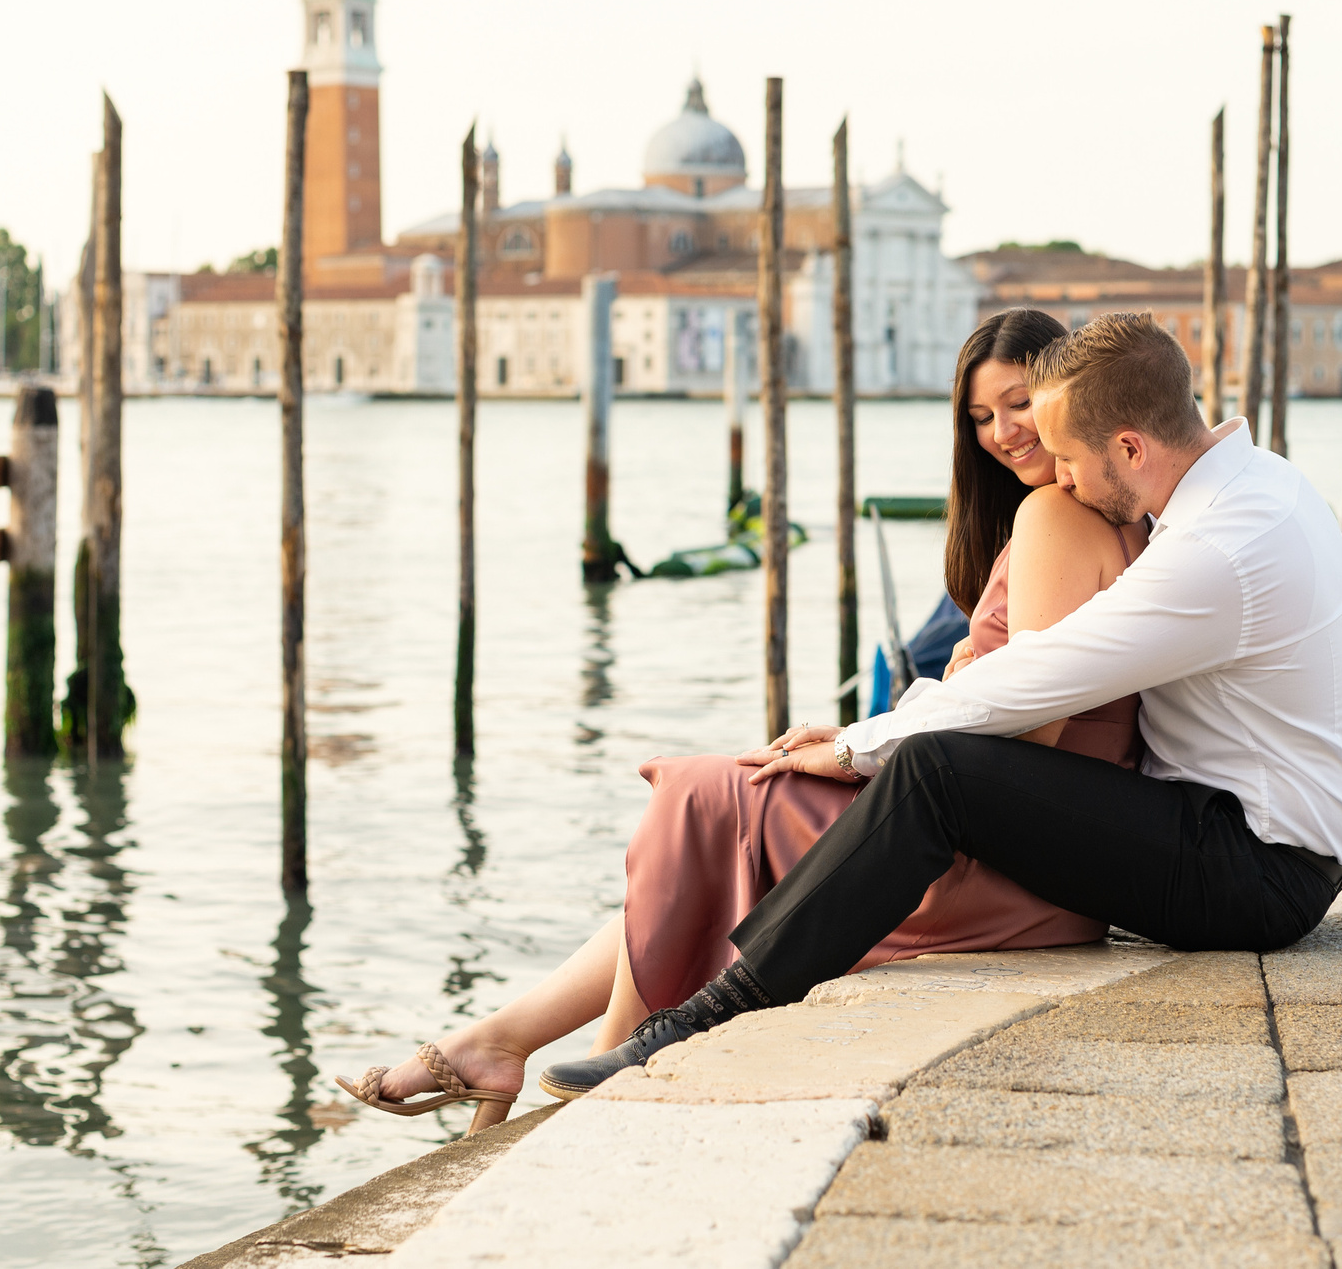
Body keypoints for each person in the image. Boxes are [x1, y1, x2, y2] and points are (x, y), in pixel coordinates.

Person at [334, 308, 1146, 1128]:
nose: (1004, 433)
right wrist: (922, 706)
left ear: (1063, 398)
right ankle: (509, 1044)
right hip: (1023, 853)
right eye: (980, 417)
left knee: (704, 797)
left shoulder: (1054, 517)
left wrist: (895, 726)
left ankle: (585, 1074)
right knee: (713, 815)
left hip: (1010, 868)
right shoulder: (1068, 516)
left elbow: (1032, 737)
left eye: (1018, 405)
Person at [537, 310, 1342, 1098]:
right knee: (922, 768)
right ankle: (686, 1004)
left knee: (936, 772)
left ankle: (717, 1011)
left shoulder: (1213, 552)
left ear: (1130, 445)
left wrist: (855, 745)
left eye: (1069, 460)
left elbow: (1034, 682)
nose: (1061, 477)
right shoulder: (1262, 485)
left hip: (1256, 872)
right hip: (1270, 844)